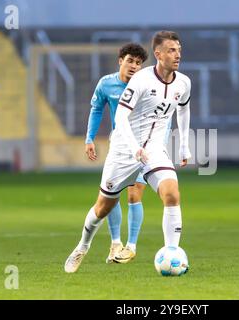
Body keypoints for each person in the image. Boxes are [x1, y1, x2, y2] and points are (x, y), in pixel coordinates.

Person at [65, 30, 191, 274]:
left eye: (179, 50)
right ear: (158, 54)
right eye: (172, 50)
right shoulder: (142, 80)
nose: (177, 55)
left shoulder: (183, 82)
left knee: (172, 193)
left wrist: (184, 144)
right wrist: (134, 148)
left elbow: (183, 110)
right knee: (103, 207)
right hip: (124, 149)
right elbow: (121, 115)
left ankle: (172, 254)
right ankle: (83, 245)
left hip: (154, 150)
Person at [85, 43, 149, 264]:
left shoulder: (146, 85)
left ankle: (131, 246)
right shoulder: (106, 84)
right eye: (130, 61)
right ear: (120, 60)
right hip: (120, 146)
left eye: (139, 63)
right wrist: (89, 138)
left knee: (134, 194)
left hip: (143, 147)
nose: (134, 66)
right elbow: (96, 109)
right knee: (111, 197)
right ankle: (115, 243)